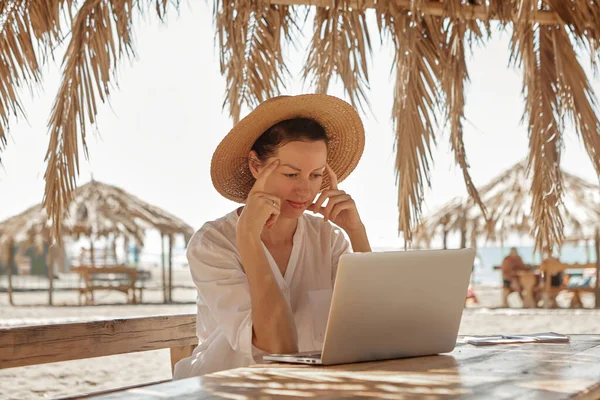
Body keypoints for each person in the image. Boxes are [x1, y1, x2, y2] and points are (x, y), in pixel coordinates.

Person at [174, 94, 371, 378]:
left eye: (316, 175)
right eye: (291, 175)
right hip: (227, 390)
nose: (305, 191)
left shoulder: (329, 240)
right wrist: (249, 240)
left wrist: (357, 233)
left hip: (308, 392)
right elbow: (278, 347)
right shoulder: (213, 244)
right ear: (256, 166)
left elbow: (370, 328)